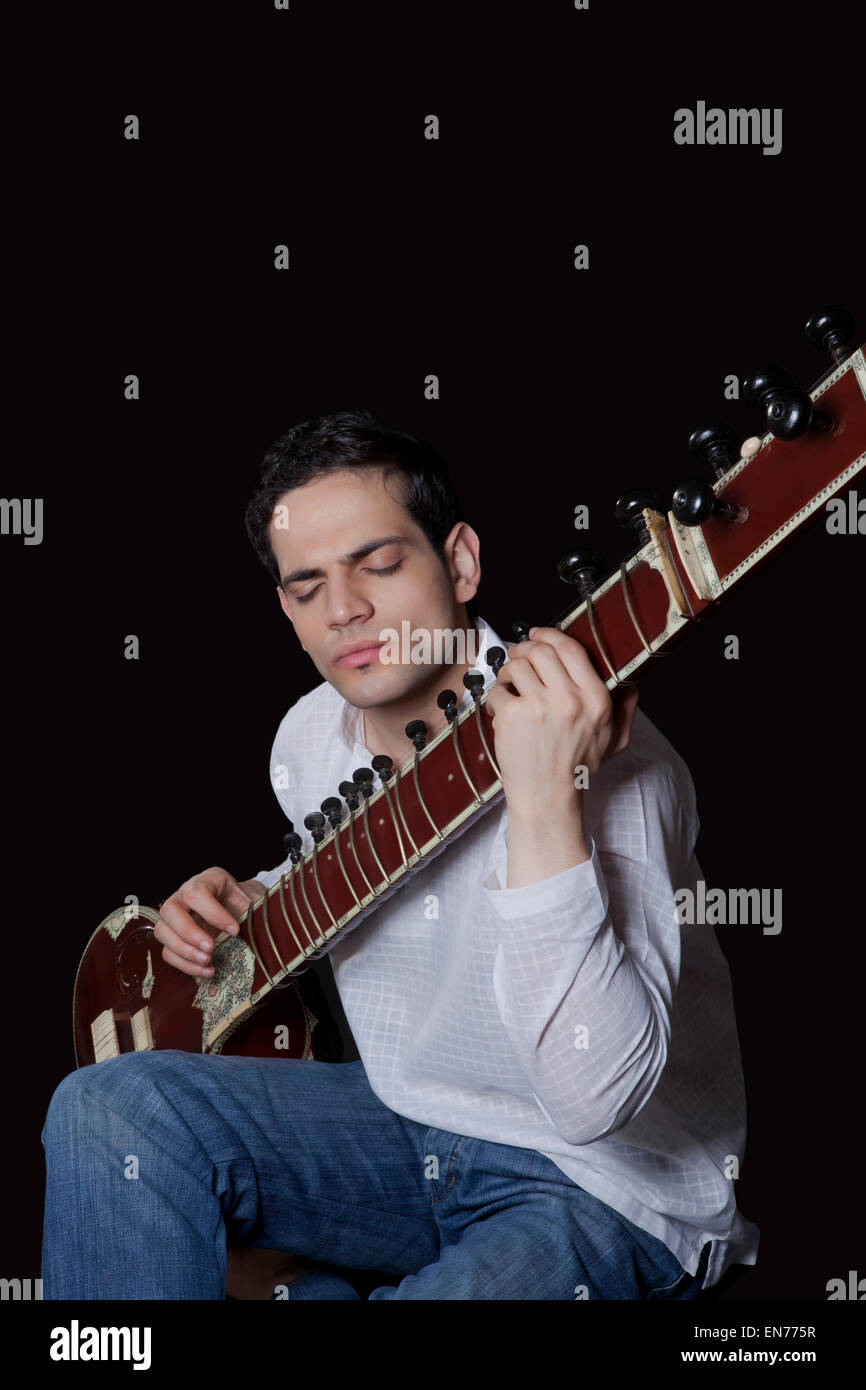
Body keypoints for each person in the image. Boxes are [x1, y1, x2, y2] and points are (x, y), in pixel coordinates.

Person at [41, 409, 760, 1299]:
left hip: (602, 1185)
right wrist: (245, 901)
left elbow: (593, 1101)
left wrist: (543, 800)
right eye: (308, 587)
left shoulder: (623, 766)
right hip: (406, 1127)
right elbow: (357, 862)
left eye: (379, 564)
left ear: (459, 562)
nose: (345, 610)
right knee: (111, 1111)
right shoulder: (309, 736)